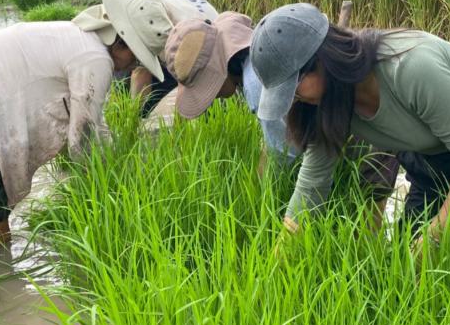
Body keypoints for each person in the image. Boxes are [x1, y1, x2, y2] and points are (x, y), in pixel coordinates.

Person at [250, 3, 450, 248]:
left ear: (322, 62)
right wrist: (276, 266)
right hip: (431, 159)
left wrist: (434, 237)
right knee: (407, 264)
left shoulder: (410, 67)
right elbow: (311, 188)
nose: (294, 100)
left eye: (294, 87)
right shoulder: (324, 103)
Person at [0, 0, 156, 254]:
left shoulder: (76, 38)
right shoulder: (94, 57)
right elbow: (84, 142)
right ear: (121, 41)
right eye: (135, 56)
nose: (132, 66)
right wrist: (110, 195)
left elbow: (93, 122)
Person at [163, 11, 398, 199]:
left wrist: (260, 197)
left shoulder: (257, 85)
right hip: (360, 129)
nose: (211, 98)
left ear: (218, 68)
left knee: (367, 232)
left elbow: (285, 155)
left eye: (204, 85)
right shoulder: (260, 58)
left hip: (367, 149)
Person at [74, 0, 219, 117]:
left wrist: (133, 121)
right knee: (123, 81)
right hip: (181, 9)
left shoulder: (177, 41)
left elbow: (142, 73)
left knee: (192, 103)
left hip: (205, 42)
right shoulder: (143, 10)